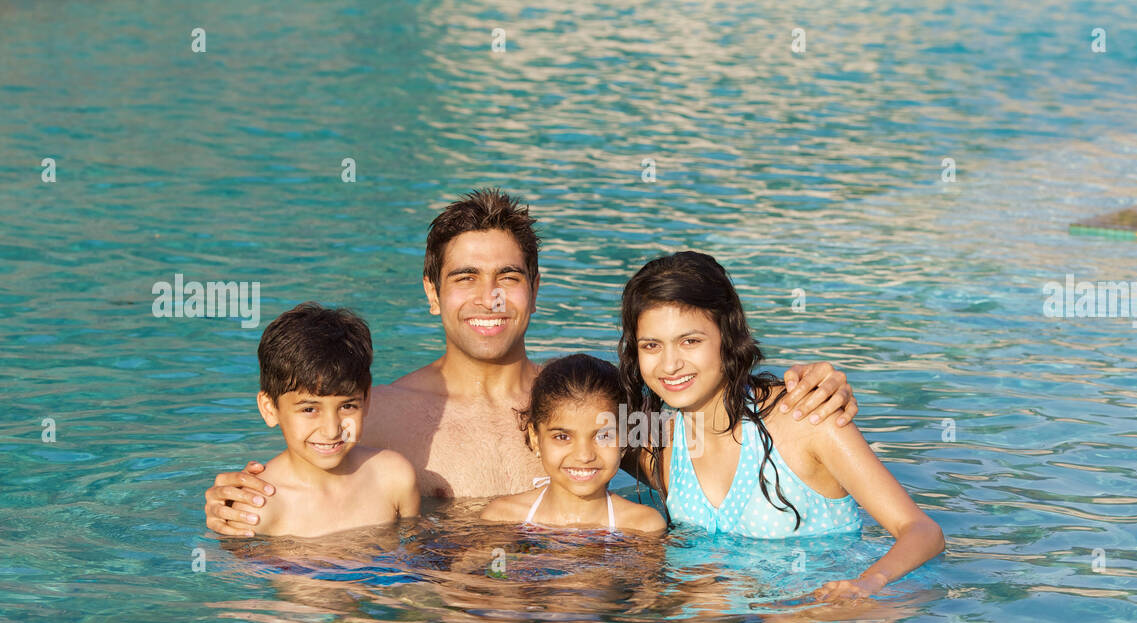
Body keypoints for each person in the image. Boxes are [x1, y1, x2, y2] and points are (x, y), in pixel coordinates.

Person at [203, 188, 860, 536]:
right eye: (464, 278)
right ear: (432, 293)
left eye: (508, 276)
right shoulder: (379, 419)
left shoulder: (586, 404)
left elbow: (708, 447)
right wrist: (233, 497)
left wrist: (797, 390)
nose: (488, 298)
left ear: (535, 288)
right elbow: (304, 466)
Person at [619, 251, 945, 599]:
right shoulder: (659, 441)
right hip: (726, 614)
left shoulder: (806, 416)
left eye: (690, 341)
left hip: (833, 607)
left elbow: (923, 532)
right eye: (651, 345)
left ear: (728, 334)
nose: (670, 364)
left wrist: (868, 584)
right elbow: (562, 402)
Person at [248, 303, 420, 537]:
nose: (331, 430)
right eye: (309, 409)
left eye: (347, 406)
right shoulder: (260, 508)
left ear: (366, 399)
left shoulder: (393, 479)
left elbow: (417, 560)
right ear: (270, 409)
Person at [481, 353, 665, 534]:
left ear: (624, 438)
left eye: (602, 436)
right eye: (563, 437)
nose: (584, 456)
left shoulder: (643, 527)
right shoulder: (502, 517)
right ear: (535, 438)